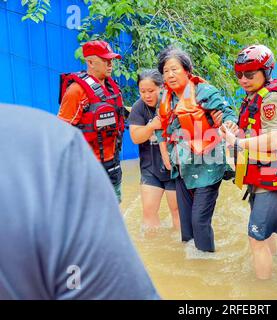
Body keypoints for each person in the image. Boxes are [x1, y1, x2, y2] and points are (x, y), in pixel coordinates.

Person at [0, 104, 159, 300]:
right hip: (85, 170)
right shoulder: (54, 142)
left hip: (109, 167)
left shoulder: (111, 93)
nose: (109, 69)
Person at [222, 45, 277, 279]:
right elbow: (253, 128)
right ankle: (272, 269)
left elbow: (275, 139)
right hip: (264, 174)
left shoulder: (271, 98)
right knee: (266, 234)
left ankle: (262, 289)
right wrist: (234, 130)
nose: (243, 80)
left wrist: (237, 143)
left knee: (256, 237)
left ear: (266, 72)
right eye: (239, 74)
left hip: (275, 176)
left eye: (250, 75)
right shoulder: (255, 96)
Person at [157, 46, 238, 253]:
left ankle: (207, 267)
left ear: (187, 71)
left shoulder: (204, 91)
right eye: (166, 71)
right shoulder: (165, 98)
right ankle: (190, 266)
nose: (170, 75)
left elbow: (227, 112)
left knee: (199, 222)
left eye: (174, 69)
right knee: (186, 225)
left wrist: (228, 124)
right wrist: (165, 154)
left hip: (208, 167)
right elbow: (162, 128)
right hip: (182, 167)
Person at [58, 40, 125, 202]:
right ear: (90, 62)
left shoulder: (113, 87)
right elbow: (60, 132)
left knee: (114, 214)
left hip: (113, 165)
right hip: (87, 167)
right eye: (105, 60)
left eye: (111, 60)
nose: (110, 64)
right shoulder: (76, 91)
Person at [128, 69, 179, 230]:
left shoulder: (173, 103)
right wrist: (152, 126)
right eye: (142, 91)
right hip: (150, 169)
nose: (147, 95)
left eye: (151, 91)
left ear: (162, 87)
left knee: (177, 212)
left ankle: (181, 250)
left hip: (174, 169)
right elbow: (135, 137)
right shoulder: (138, 107)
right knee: (149, 213)